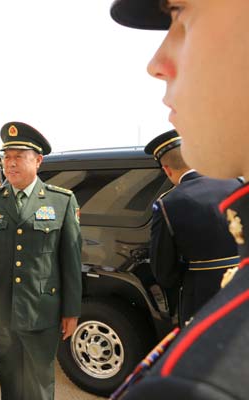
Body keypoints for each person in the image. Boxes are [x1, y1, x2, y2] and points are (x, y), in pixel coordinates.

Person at [109, 1, 249, 399]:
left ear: (165, 170)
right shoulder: (229, 191)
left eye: (181, 14)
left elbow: (166, 271)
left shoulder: (192, 382)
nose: (156, 62)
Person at [0, 121, 82, 400]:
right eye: (7, 158)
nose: (10, 164)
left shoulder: (62, 202)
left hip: (42, 312)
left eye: (19, 157)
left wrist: (71, 311)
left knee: (39, 383)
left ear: (38, 161)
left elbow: (70, 262)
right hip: (2, 312)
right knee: (8, 380)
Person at [145, 130, 241, 326]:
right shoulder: (236, 183)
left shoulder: (167, 204)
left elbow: (164, 272)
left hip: (203, 293)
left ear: (167, 169)